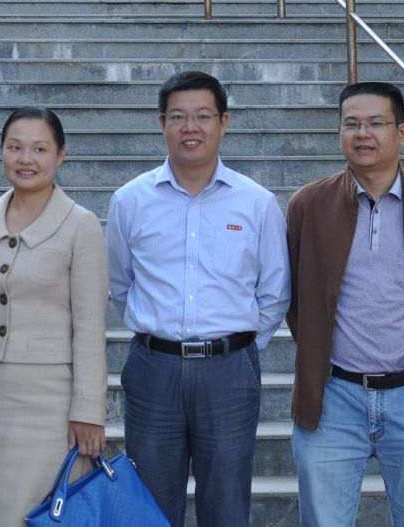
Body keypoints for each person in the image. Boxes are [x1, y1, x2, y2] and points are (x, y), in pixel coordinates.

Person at [106, 69, 290, 527]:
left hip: (229, 373)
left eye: (203, 116)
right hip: (154, 370)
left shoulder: (256, 202)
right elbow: (121, 283)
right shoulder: (130, 201)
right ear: (162, 123)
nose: (191, 128)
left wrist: (237, 348)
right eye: (178, 117)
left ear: (223, 122)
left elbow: (275, 292)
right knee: (149, 507)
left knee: (226, 506)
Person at [286, 82, 404, 527]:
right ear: (339, 132)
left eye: (375, 123)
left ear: (402, 133)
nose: (362, 134)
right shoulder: (308, 205)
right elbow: (294, 299)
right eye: (351, 124)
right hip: (332, 398)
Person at [0, 107, 107, 527]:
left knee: (48, 513)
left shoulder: (81, 226)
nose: (26, 159)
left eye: (39, 149)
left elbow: (90, 327)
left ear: (61, 154)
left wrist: (89, 411)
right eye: (15, 147)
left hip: (52, 405)